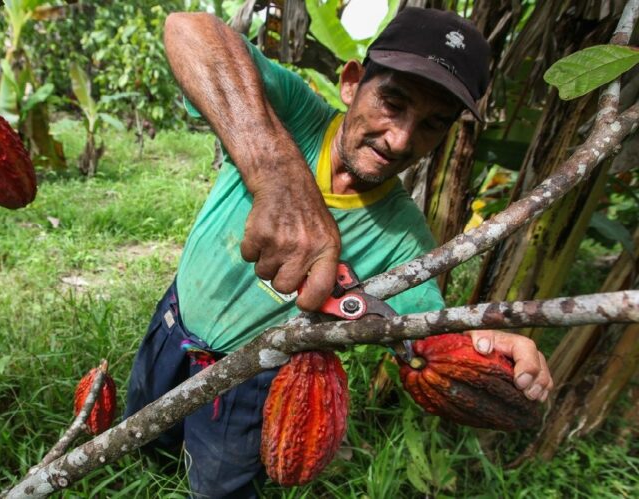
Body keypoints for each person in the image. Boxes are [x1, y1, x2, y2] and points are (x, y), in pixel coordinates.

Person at [125, 7, 554, 498]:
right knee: (146, 438)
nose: (401, 139)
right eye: (393, 102)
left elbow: (426, 333)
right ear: (352, 84)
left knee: (219, 485)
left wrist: (486, 348)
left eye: (432, 124)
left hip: (250, 385)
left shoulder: (403, 236)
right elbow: (188, 29)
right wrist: (280, 178)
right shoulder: (293, 115)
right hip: (174, 322)